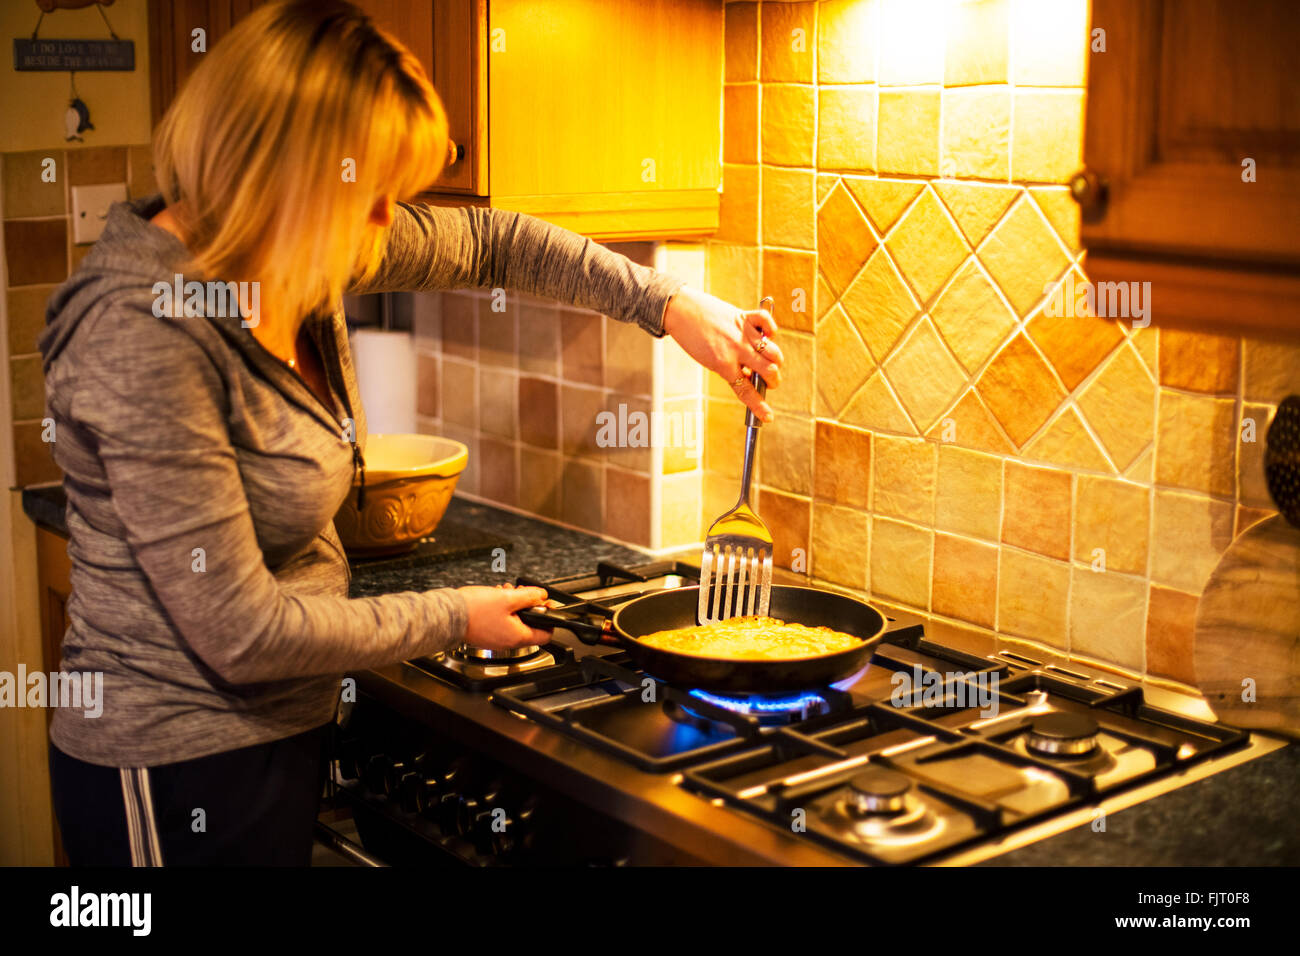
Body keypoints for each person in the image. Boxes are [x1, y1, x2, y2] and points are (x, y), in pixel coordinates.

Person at [37, 0, 783, 865]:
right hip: (170, 769)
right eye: (373, 193)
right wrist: (454, 614)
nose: (391, 221)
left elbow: (493, 245)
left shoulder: (294, 253)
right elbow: (238, 636)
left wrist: (672, 306)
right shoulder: (142, 328)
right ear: (290, 177)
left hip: (281, 731)